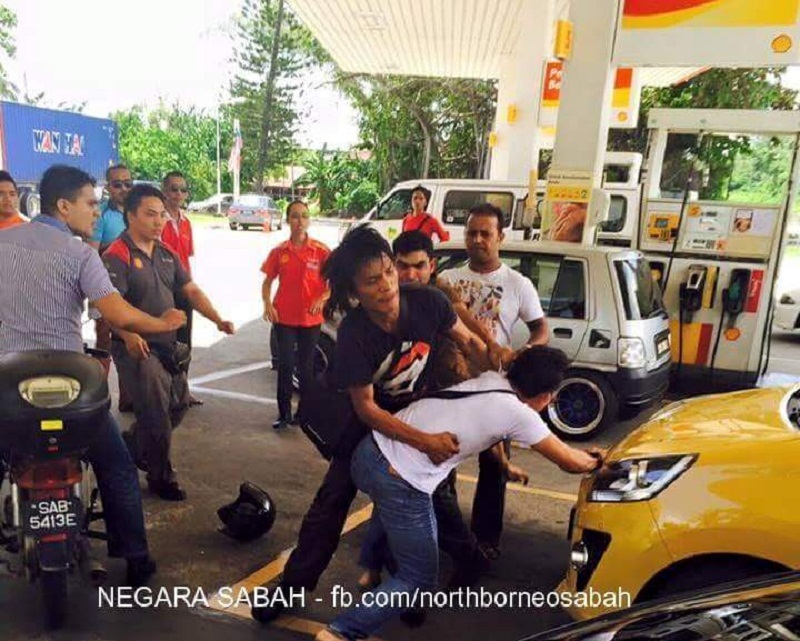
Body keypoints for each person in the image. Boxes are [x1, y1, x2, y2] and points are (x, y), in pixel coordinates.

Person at [252, 226, 496, 624]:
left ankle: (445, 571)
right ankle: (294, 586)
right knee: (329, 504)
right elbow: (366, 409)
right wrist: (422, 441)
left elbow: (470, 342)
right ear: (354, 292)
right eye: (372, 280)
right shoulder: (354, 335)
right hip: (369, 425)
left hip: (425, 410)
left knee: (436, 499)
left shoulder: (429, 302)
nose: (387, 285)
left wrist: (502, 376)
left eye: (387, 271)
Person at [318, 346, 603, 641]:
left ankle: (375, 573)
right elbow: (569, 461)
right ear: (546, 396)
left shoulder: (493, 381)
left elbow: (491, 429)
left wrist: (505, 465)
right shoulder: (519, 413)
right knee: (419, 575)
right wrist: (600, 461)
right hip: (399, 478)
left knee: (394, 523)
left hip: (367, 455)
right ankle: (341, 632)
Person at [0, 164, 187, 585]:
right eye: (90, 203)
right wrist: (164, 322)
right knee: (115, 464)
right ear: (64, 206)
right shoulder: (80, 253)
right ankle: (136, 555)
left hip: (9, 385)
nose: (98, 211)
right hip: (69, 383)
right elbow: (116, 311)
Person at [103, 184, 235, 501]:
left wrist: (216, 318)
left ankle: (134, 444)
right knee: (157, 417)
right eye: (150, 214)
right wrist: (128, 334)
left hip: (169, 347)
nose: (158, 221)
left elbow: (190, 290)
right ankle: (161, 477)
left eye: (161, 215)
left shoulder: (166, 253)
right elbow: (108, 308)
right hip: (138, 349)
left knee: (178, 407)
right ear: (130, 215)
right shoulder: (116, 255)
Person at [439, 202, 548, 561]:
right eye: (472, 232)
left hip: (496, 391)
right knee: (444, 463)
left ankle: (486, 540)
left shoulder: (518, 284)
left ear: (501, 237)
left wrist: (522, 354)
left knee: (493, 469)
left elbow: (540, 329)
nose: (478, 239)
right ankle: (447, 536)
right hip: (451, 389)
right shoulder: (449, 280)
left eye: (486, 233)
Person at [262, 200, 330, 430]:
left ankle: (305, 414)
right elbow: (268, 281)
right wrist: (266, 304)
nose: (300, 221)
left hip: (310, 320)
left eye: (304, 216)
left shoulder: (321, 251)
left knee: (306, 367)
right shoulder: (279, 252)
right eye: (294, 216)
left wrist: (322, 299)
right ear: (288, 220)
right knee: (286, 365)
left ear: (309, 219)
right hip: (285, 318)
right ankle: (284, 414)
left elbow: (334, 283)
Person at [89, 164, 134, 410]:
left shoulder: (139, 211)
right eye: (118, 184)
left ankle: (128, 397)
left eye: (128, 183)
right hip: (106, 290)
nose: (124, 189)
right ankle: (99, 398)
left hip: (135, 292)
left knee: (131, 343)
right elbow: (92, 257)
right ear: (108, 187)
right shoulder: (101, 216)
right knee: (105, 342)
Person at [159, 171, 202, 406]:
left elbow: (187, 256)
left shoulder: (186, 222)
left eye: (183, 190)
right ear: (165, 191)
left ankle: (183, 391)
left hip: (183, 290)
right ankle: (164, 394)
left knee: (185, 343)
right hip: (162, 290)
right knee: (165, 343)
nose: (179, 194)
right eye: (174, 189)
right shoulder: (159, 220)